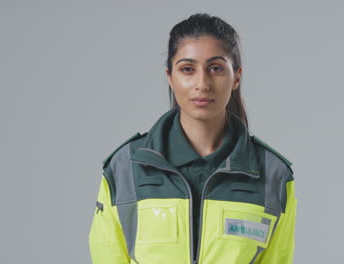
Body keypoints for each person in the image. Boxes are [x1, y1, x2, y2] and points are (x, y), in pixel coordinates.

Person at [89, 13, 297, 264]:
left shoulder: (273, 175)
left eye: (216, 68)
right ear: (170, 76)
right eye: (187, 69)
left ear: (237, 77)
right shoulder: (125, 168)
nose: (202, 83)